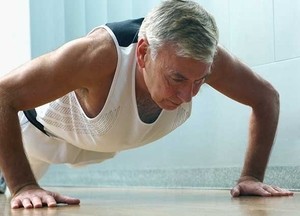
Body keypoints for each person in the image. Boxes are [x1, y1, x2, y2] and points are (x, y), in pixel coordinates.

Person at [0, 0, 293, 209]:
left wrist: (251, 176)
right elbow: (4, 95)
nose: (187, 96)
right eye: (177, 78)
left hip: (98, 143)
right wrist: (24, 184)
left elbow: (266, 98)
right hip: (36, 138)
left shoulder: (203, 60)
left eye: (199, 81)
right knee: (14, 193)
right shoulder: (97, 55)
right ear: (142, 54)